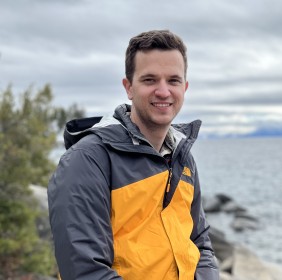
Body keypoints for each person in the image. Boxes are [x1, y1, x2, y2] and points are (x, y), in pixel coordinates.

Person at [48, 30, 219, 280]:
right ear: (128, 87)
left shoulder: (182, 157)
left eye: (173, 80)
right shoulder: (88, 160)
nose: (163, 91)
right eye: (150, 80)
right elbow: (84, 271)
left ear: (185, 87)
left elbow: (199, 241)